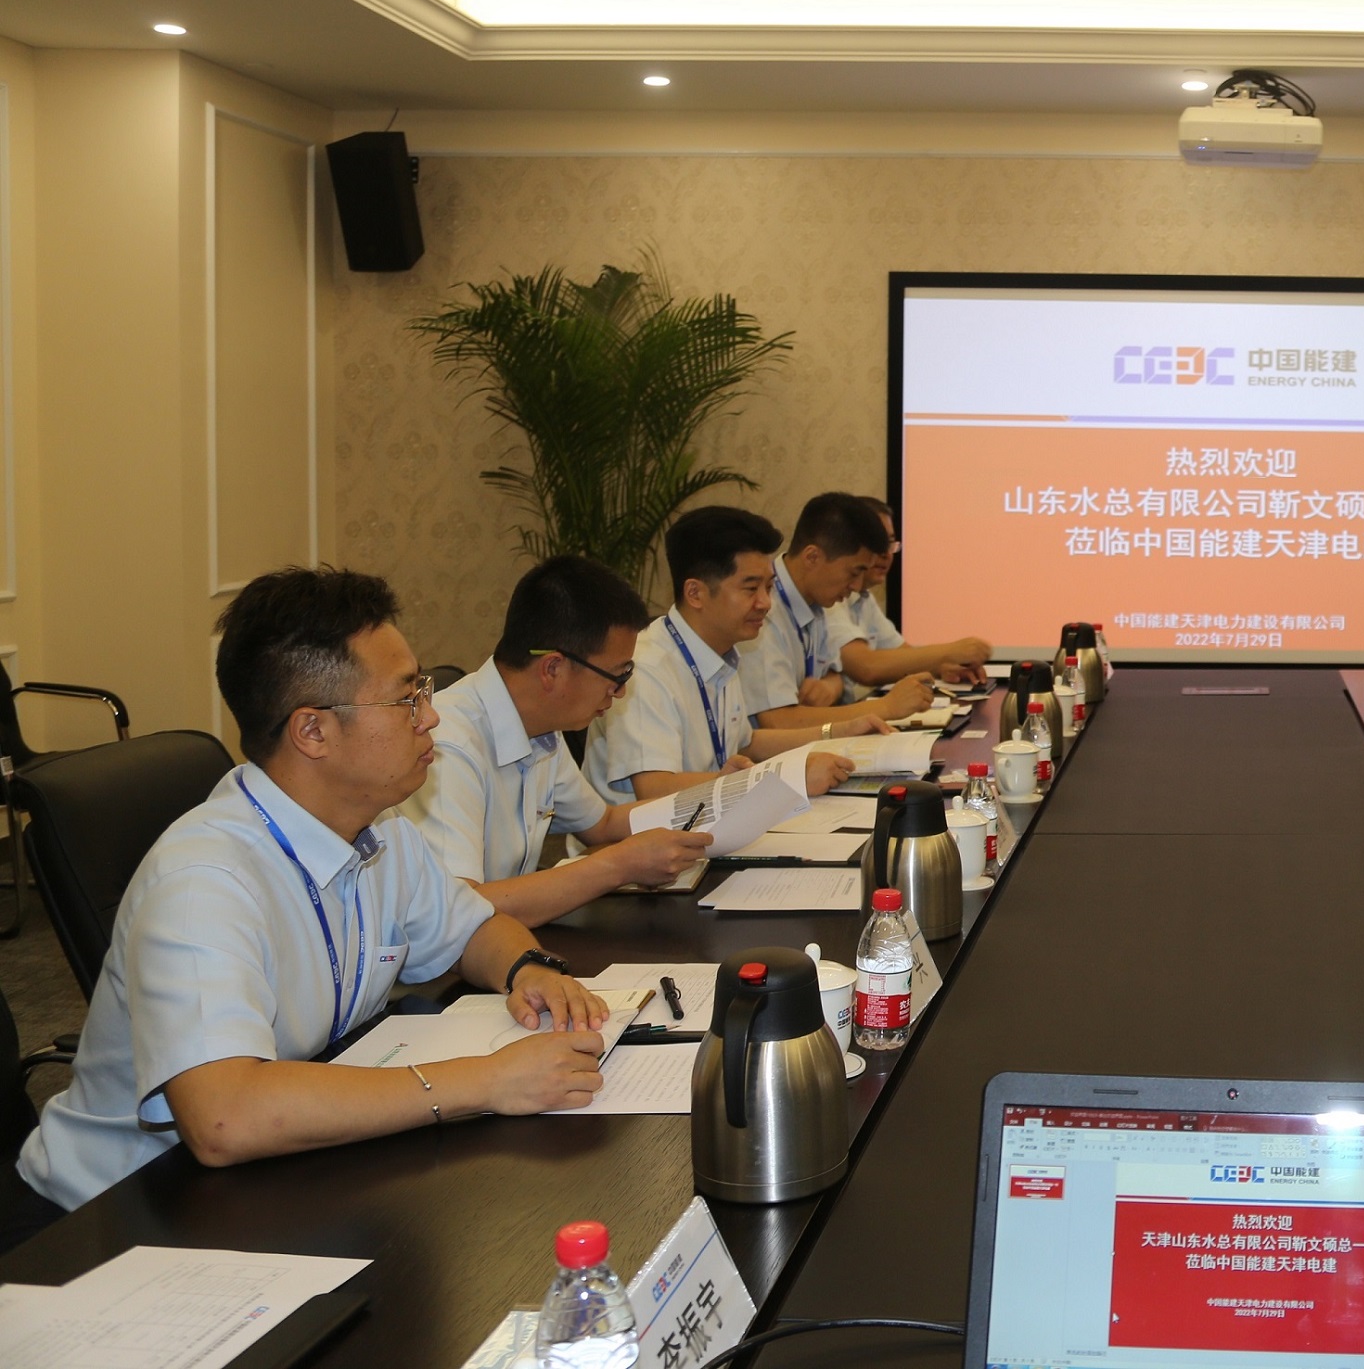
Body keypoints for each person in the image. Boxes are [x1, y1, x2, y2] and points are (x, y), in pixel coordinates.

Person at [16, 568, 612, 1216]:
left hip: (274, 1170)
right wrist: (487, 1081)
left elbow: (473, 927)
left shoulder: (381, 828)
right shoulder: (201, 882)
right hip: (122, 1210)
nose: (432, 716)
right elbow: (224, 1118)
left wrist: (528, 969)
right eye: (407, 698)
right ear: (313, 731)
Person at [398, 557, 713, 926]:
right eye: (617, 676)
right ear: (553, 668)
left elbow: (603, 823)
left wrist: (719, 798)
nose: (621, 692)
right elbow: (460, 909)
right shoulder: (448, 745)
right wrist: (619, 865)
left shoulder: (542, 727)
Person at [584, 505, 882, 804]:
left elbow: (746, 742)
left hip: (711, 819)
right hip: (647, 830)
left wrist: (842, 731)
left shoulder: (721, 649)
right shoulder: (646, 668)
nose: (765, 603)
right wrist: (787, 778)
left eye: (768, 587)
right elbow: (654, 788)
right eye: (751, 589)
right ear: (695, 593)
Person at [741, 493, 933, 730]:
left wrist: (829, 687)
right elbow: (778, 721)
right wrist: (887, 707)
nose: (856, 586)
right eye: (853, 573)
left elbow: (835, 675)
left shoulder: (815, 600)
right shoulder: (762, 610)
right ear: (812, 557)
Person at [829, 495, 994, 696]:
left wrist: (942, 667)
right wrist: (950, 651)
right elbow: (867, 668)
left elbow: (902, 655)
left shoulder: (864, 598)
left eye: (890, 543)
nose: (886, 554)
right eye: (876, 544)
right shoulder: (831, 596)